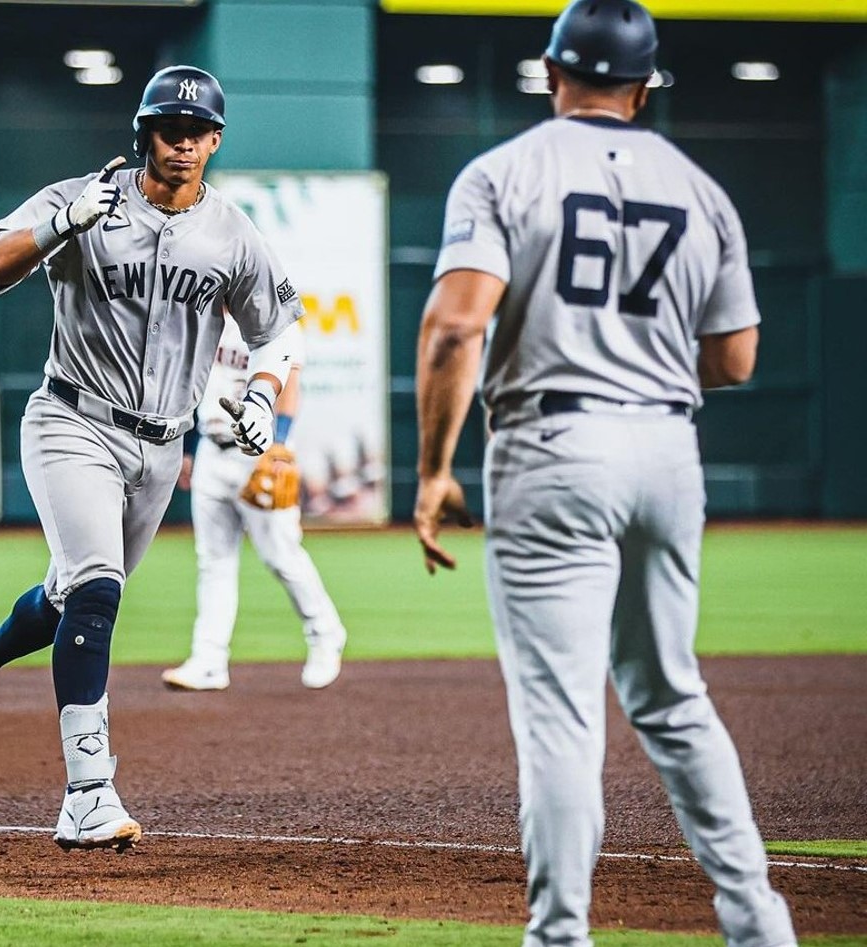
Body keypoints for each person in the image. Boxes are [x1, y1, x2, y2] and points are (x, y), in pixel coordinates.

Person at [412, 2, 798, 945]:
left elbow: (457, 327)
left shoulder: (504, 172)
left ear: (551, 72)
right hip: (669, 450)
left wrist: (431, 472)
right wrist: (646, 361)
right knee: (671, 693)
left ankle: (560, 935)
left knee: (561, 714)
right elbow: (738, 357)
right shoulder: (701, 188)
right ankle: (759, 921)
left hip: (553, 447)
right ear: (645, 84)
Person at [0, 65, 304, 853]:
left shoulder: (231, 232)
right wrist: (62, 223)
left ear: (217, 141)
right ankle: (88, 793)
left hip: (163, 446)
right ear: (144, 133)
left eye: (201, 133)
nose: (186, 144)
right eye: (172, 129)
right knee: (99, 590)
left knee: (73, 600)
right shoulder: (83, 199)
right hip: (72, 420)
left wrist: (265, 398)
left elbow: (277, 329)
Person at [161, 315, 348, 692]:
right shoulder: (204, 314)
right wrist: (187, 449)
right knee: (213, 560)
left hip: (259, 452)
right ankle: (209, 660)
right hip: (212, 448)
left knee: (281, 556)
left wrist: (279, 445)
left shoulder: (276, 319)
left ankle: (325, 634)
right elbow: (192, 385)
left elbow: (290, 382)